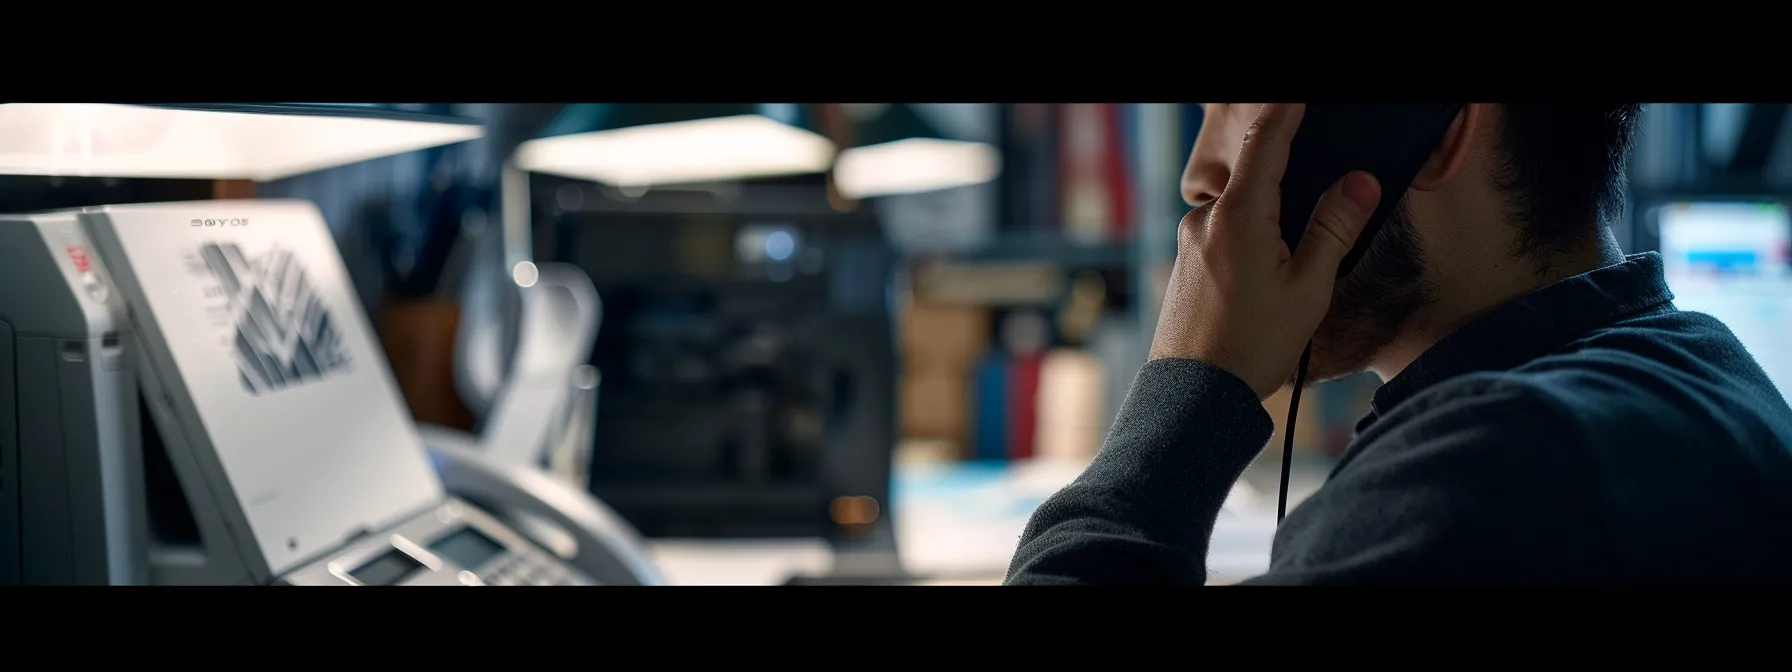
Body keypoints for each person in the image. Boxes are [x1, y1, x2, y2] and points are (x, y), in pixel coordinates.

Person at [1004, 104, 1792, 584]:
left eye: (1232, 106)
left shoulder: (1489, 473)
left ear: (1430, 130)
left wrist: (1189, 384)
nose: (1198, 176)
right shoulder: (1704, 369)